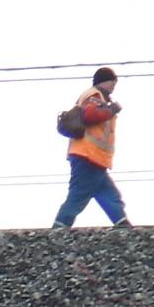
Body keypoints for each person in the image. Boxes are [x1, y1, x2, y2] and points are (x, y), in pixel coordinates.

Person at [54, 68, 128, 227]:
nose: (114, 86)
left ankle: (123, 225)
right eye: (112, 82)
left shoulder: (98, 96)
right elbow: (90, 115)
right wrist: (111, 110)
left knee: (109, 195)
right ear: (104, 81)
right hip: (87, 155)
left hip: (94, 158)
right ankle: (58, 228)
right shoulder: (94, 95)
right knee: (78, 196)